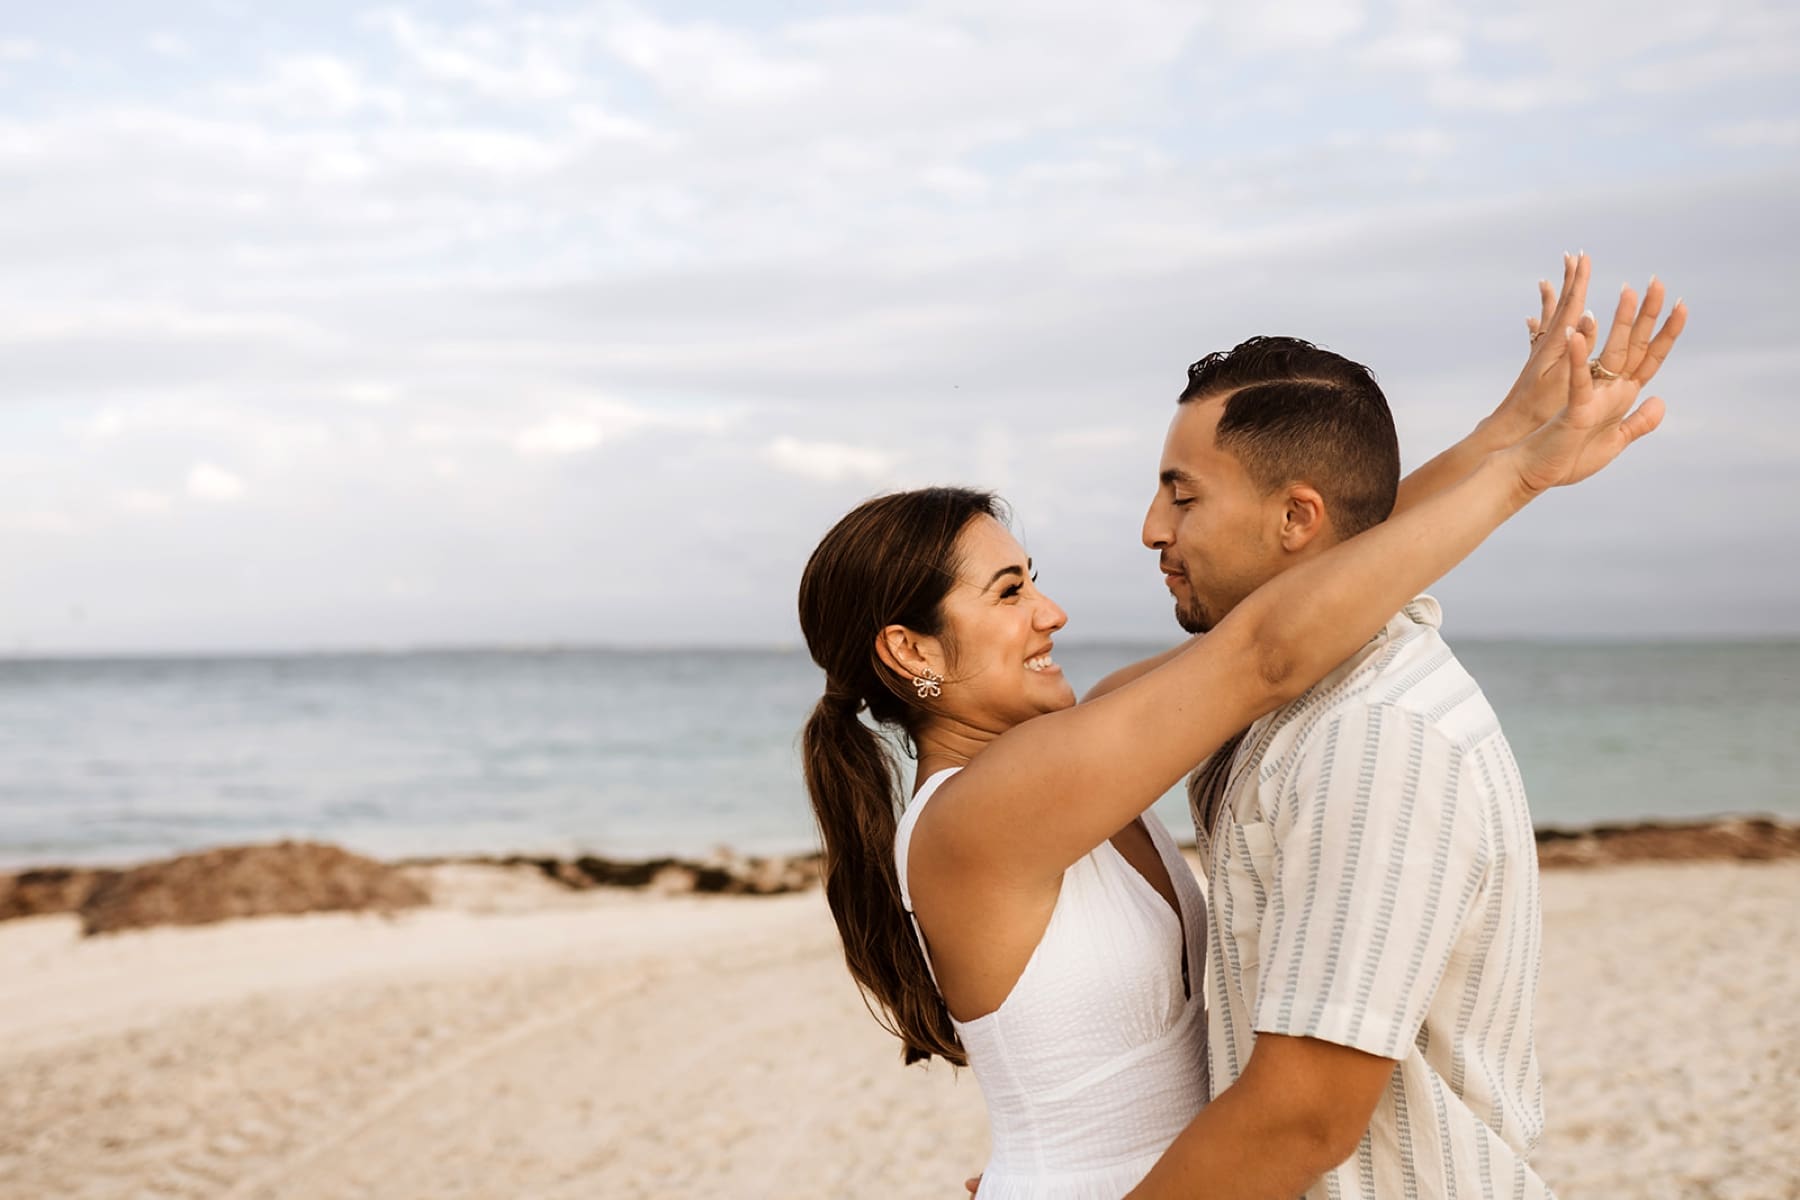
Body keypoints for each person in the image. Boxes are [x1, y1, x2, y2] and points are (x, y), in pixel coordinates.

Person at [798, 256, 1682, 1198]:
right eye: (1009, 593)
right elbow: (1266, 654)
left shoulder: (1077, 753)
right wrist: (1518, 478)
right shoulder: (980, 817)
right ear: (912, 652)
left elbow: (1310, 586)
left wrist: (1510, 435)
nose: (1050, 614)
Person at [1079, 267, 1685, 1199]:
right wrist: (1500, 441)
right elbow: (1119, 714)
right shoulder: (1276, 699)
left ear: (1296, 518)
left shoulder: (1375, 740)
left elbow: (1303, 1118)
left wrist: (1515, 465)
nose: (1152, 527)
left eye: (1183, 495)